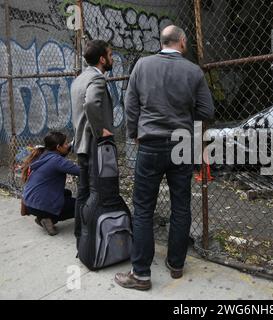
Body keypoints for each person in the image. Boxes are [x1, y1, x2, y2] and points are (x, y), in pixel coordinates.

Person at [115, 25, 214, 290]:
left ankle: (141, 274)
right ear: (181, 41)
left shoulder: (142, 66)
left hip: (150, 145)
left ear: (162, 41)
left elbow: (130, 104)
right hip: (181, 145)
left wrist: (135, 132)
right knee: (181, 205)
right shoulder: (193, 71)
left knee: (144, 208)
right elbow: (207, 110)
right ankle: (176, 264)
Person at [70, 40, 114, 243]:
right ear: (102, 59)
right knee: (97, 191)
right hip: (94, 144)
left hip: (80, 144)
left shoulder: (79, 79)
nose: (112, 58)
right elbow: (90, 104)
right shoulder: (98, 79)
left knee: (83, 192)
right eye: (110, 55)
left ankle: (81, 235)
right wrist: (101, 131)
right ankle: (92, 237)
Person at [22, 131, 80, 236]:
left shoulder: (43, 154)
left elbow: (64, 151)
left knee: (67, 193)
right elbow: (81, 171)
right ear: (58, 147)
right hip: (41, 204)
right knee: (83, 205)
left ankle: (43, 217)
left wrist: (71, 144)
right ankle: (49, 218)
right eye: (66, 144)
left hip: (29, 203)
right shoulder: (57, 161)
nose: (68, 145)